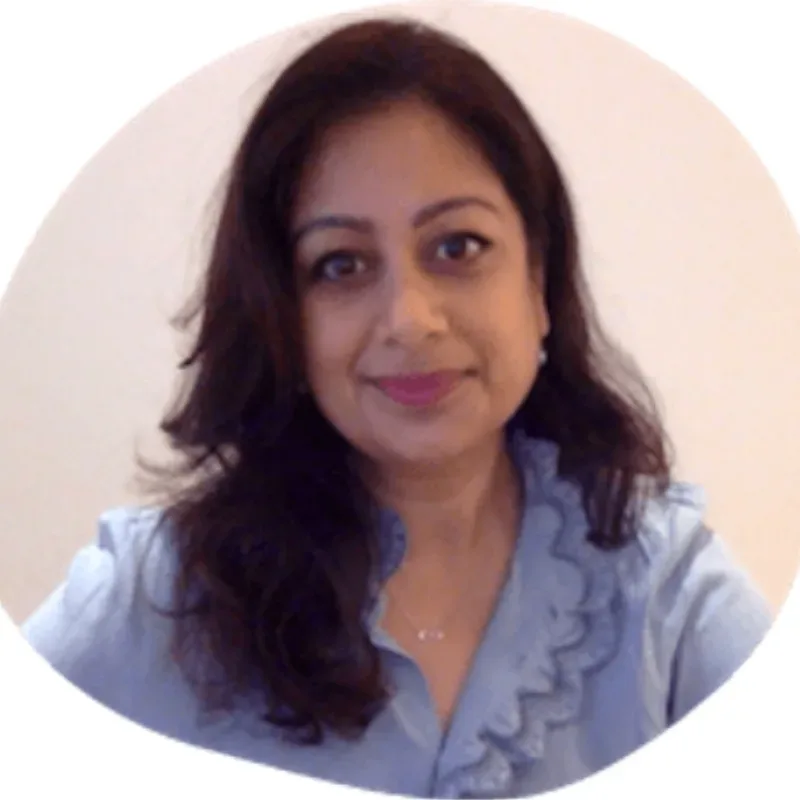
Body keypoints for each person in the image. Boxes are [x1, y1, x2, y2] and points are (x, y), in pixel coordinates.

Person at [21, 16, 772, 799]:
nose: (410, 318)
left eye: (457, 247)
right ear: (283, 316)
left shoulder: (668, 597)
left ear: (540, 281)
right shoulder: (153, 600)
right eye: (341, 264)